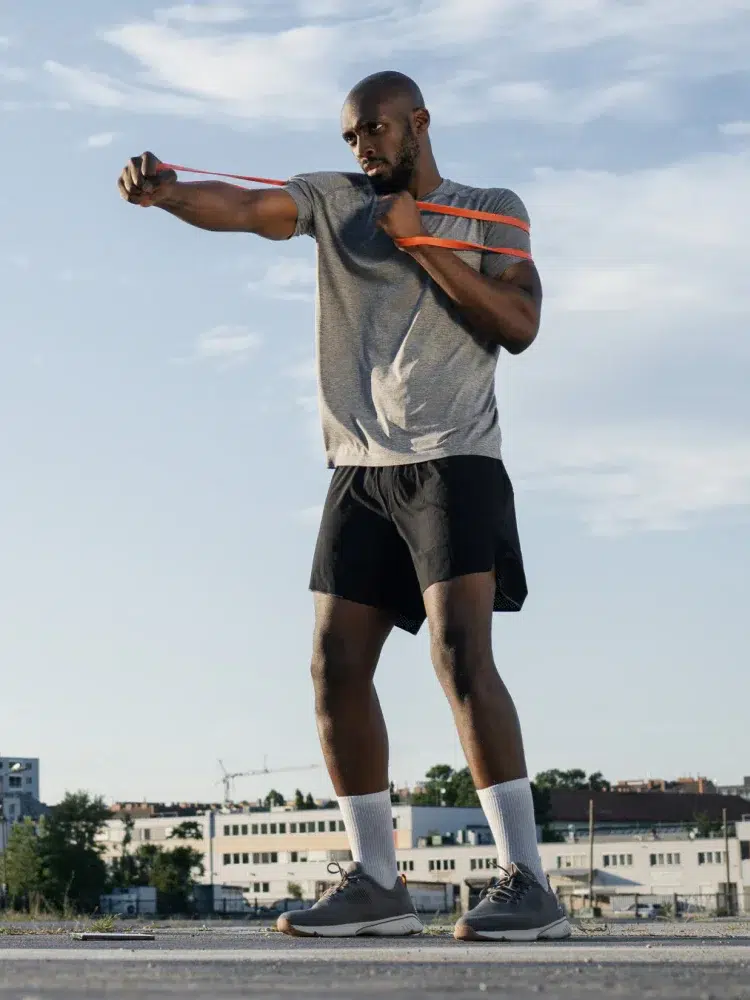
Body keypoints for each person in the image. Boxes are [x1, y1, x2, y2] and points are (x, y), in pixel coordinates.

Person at [118, 70, 570, 943]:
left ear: (418, 123)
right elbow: (244, 209)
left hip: (454, 457)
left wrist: (423, 245)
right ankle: (375, 881)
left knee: (460, 653)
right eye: (351, 138)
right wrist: (171, 197)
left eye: (374, 131)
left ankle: (529, 881)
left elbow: (518, 324)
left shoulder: (490, 207)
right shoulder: (335, 201)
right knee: (331, 666)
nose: (362, 148)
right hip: (359, 464)